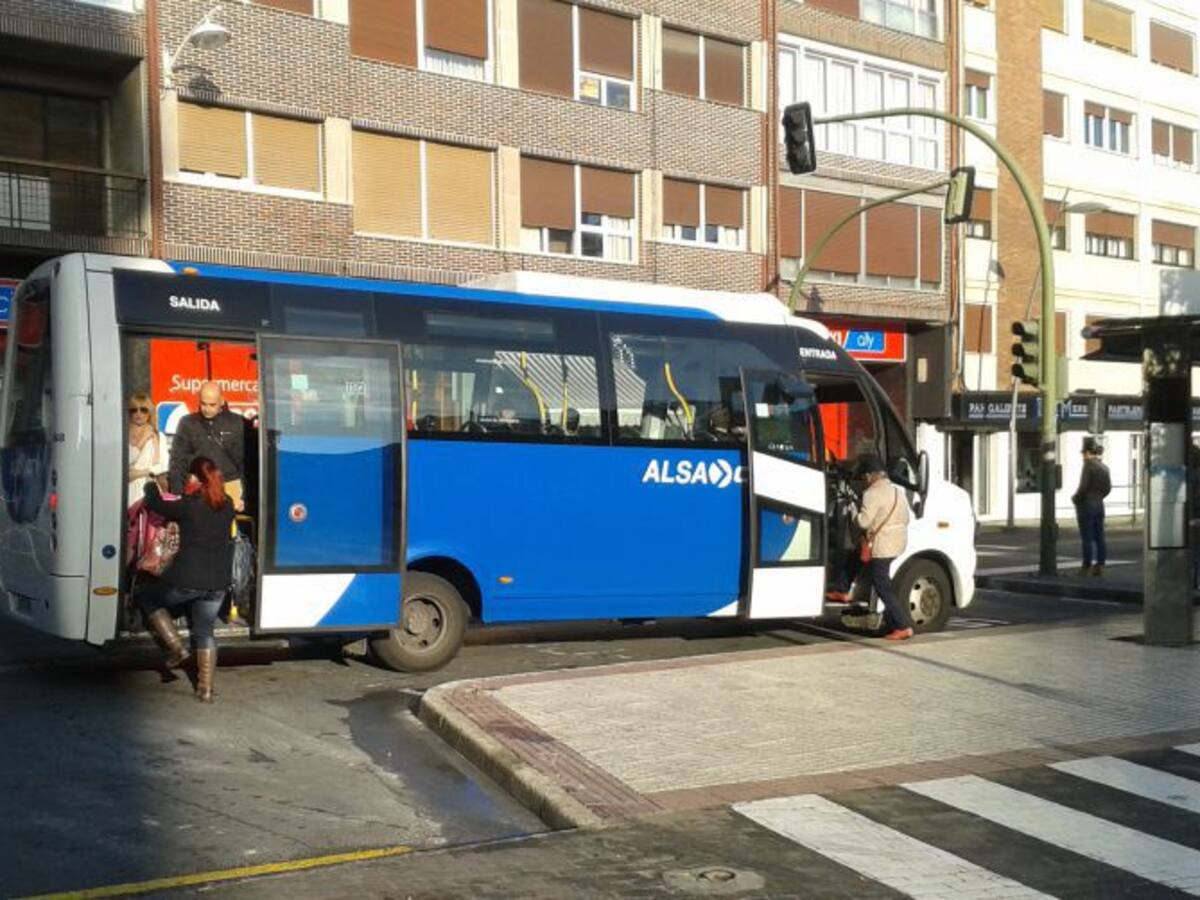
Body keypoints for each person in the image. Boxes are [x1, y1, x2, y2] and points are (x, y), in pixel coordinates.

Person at [139, 456, 236, 702]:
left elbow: (154, 503)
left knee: (147, 597)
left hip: (187, 579)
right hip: (218, 583)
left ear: (195, 478)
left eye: (190, 477)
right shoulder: (228, 504)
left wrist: (151, 484)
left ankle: (177, 648)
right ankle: (205, 689)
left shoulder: (189, 505)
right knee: (205, 632)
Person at [826, 454, 914, 641]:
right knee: (855, 557)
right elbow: (906, 516)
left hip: (882, 545)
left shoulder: (871, 494)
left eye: (865, 477)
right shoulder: (897, 491)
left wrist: (852, 511)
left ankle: (902, 626)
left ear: (872, 475)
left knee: (881, 585)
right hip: (897, 542)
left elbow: (863, 522)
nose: (864, 480)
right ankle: (842, 590)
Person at [169, 382, 245, 511]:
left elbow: (246, 462)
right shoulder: (187, 423)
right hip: (199, 488)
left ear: (221, 400)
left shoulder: (238, 423)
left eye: (212, 404)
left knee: (229, 530)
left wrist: (245, 497)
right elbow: (178, 461)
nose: (207, 408)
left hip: (230, 487)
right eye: (203, 403)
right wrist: (178, 494)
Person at [1072, 438, 1111, 577]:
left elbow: (1083, 487)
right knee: (1100, 536)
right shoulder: (1104, 468)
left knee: (1087, 537)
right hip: (1099, 504)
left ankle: (1086, 566)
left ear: (1088, 453)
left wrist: (1076, 498)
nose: (1083, 456)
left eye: (1083, 453)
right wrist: (1099, 496)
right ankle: (1100, 565)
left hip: (1087, 505)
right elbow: (1108, 488)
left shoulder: (1088, 466)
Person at [127, 392, 169, 508]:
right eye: (134, 410)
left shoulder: (158, 436)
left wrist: (136, 473)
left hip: (149, 490)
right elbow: (126, 462)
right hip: (127, 493)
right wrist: (142, 442)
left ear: (149, 412)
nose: (138, 413)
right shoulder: (123, 435)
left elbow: (163, 466)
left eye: (143, 410)